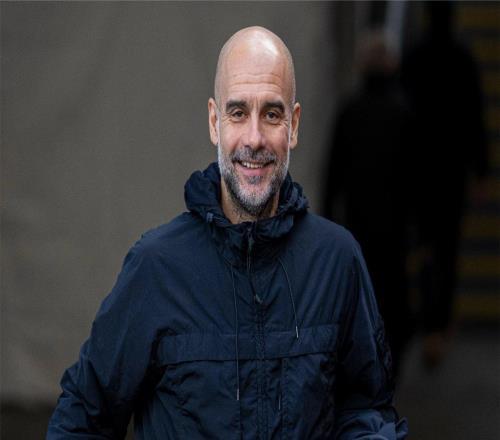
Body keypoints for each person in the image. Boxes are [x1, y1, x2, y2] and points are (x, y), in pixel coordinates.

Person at [48, 26, 408, 439]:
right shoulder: (156, 268)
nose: (254, 139)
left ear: (293, 125)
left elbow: (365, 407)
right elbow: (82, 418)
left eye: (271, 114)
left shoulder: (336, 261)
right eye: (238, 113)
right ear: (214, 122)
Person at [322, 31, 416, 377]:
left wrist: (327, 221)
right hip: (394, 226)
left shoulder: (350, 112)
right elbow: (416, 175)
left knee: (358, 295)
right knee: (393, 297)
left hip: (356, 222)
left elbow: (333, 174)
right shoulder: (403, 113)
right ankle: (390, 366)